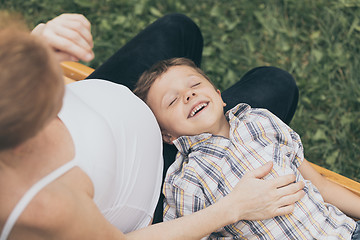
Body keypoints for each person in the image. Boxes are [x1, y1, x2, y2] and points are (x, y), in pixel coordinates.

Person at [0, 12, 306, 240]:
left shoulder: (17, 94)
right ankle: (184, 121)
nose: (55, 71)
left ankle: (175, 106)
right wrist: (232, 207)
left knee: (178, 28)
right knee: (276, 84)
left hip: (115, 101)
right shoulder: (40, 207)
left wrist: (30, 46)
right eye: (48, 77)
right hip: (160, 187)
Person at [134, 57, 360, 239]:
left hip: (345, 231)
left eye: (195, 85)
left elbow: (320, 185)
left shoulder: (261, 121)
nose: (188, 95)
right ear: (167, 135)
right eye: (172, 101)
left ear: (219, 96)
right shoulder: (185, 180)